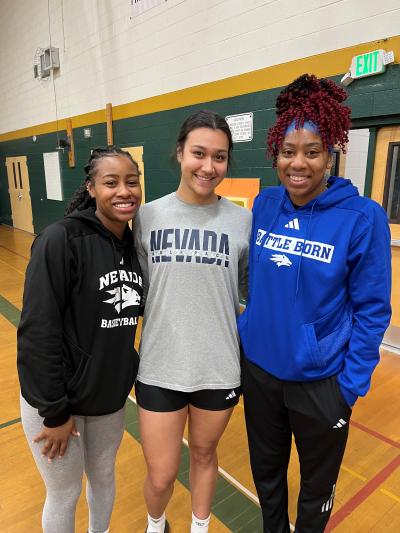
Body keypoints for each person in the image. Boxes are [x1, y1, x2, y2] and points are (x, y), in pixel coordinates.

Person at [238, 74, 392, 533]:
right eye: (288, 151)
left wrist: (348, 388)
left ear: (331, 155)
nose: (298, 163)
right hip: (260, 373)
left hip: (321, 384)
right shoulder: (264, 205)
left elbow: (372, 311)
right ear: (276, 154)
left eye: (312, 152)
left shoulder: (362, 218)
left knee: (315, 489)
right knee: (267, 479)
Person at [133, 110, 252, 533]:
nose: (208, 166)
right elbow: (138, 290)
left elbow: (251, 293)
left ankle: (199, 528)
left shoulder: (241, 220)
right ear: (180, 153)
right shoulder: (147, 217)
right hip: (160, 366)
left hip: (218, 368)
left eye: (219, 157)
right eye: (198, 153)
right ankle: (156, 524)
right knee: (162, 475)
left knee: (205, 456)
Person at [17, 146, 143, 533]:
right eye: (111, 182)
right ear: (90, 187)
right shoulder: (60, 240)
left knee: (103, 478)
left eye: (132, 181)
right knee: (65, 493)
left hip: (107, 397)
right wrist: (54, 411)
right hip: (58, 403)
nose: (124, 191)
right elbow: (38, 332)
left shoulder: (134, 246)